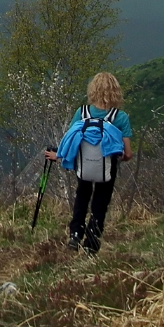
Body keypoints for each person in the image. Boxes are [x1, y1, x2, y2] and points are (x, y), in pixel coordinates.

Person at [45, 72, 133, 254]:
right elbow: (128, 154)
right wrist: (119, 156)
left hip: (83, 166)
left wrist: (58, 156)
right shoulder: (120, 117)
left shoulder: (82, 113)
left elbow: (70, 142)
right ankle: (92, 242)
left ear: (93, 90)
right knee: (100, 202)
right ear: (115, 91)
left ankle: (75, 233)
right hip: (107, 168)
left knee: (82, 196)